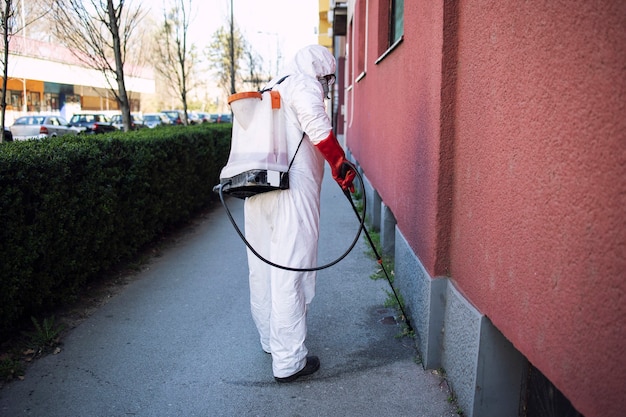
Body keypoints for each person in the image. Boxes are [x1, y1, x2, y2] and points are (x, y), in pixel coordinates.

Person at [243, 45, 355, 383]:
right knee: (291, 270)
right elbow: (317, 127)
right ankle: (289, 360)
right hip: (291, 191)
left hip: (257, 189)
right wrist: (340, 164)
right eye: (327, 79)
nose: (326, 86)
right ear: (318, 71)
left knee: (262, 268)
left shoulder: (270, 88)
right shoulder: (302, 85)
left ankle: (271, 340)